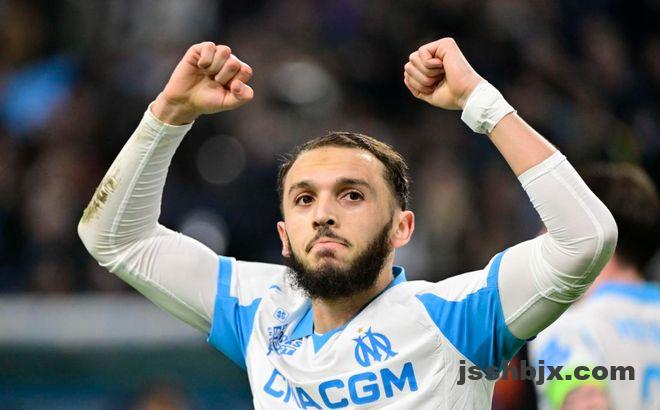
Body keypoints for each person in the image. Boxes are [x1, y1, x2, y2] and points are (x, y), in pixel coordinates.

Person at [78, 38, 617, 409]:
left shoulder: (455, 320)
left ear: (402, 228)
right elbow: (114, 237)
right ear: (284, 236)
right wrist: (169, 114)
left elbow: (587, 239)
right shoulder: (259, 312)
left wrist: (481, 102)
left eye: (352, 195)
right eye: (304, 199)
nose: (324, 214)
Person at [529, 163, 660, 410]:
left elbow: (587, 404)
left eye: (554, 224)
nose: (540, 237)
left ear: (586, 235)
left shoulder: (570, 330)